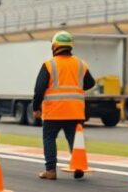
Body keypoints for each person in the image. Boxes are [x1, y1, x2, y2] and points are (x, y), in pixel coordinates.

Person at [32, 31, 96, 180]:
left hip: (54, 111)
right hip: (75, 111)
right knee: (74, 139)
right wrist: (76, 87)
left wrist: (36, 107)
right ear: (70, 47)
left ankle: (51, 171)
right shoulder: (81, 64)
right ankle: (78, 166)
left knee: (49, 139)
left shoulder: (49, 65)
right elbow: (91, 83)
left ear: (54, 47)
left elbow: (39, 89)